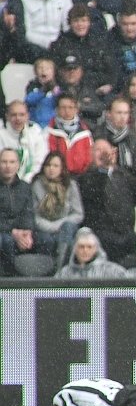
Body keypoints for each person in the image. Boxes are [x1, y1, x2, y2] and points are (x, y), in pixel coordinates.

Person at [31, 151, 84, 269]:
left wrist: (60, 224)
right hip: (44, 227)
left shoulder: (71, 185)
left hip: (64, 226)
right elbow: (35, 215)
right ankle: (45, 271)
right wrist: (51, 226)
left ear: (62, 168)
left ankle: (61, 267)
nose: (51, 169)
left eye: (55, 166)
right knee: (45, 239)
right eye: (48, 165)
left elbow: (78, 214)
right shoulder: (36, 185)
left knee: (68, 228)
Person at [0, 148, 36, 276]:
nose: (8, 166)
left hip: (20, 231)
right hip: (4, 233)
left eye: (11, 162)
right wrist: (12, 231)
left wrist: (26, 232)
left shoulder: (25, 187)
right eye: (4, 162)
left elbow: (28, 212)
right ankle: (10, 280)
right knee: (6, 240)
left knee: (45, 240)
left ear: (18, 164)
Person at [0, 101, 49, 184]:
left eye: (21, 114)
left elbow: (40, 161)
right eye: (13, 115)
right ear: (7, 116)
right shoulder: (1, 134)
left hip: (32, 182)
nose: (18, 118)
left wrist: (25, 182)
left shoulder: (35, 132)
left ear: (27, 116)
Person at [54, 226, 127, 278]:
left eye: (89, 247)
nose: (85, 250)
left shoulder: (113, 271)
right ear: (75, 249)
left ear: (96, 249)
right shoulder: (64, 273)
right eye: (81, 246)